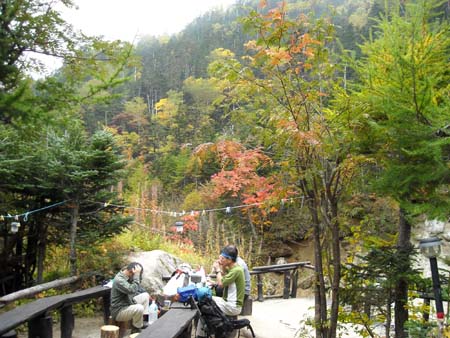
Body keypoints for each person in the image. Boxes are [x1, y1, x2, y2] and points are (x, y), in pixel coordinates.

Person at [197, 245, 245, 338]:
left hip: (232, 306)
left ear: (229, 260)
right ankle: (207, 332)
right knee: (206, 301)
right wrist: (221, 266)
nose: (220, 259)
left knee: (204, 304)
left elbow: (221, 283)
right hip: (228, 303)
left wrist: (218, 270)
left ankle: (202, 335)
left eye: (222, 258)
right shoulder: (234, 268)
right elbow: (224, 276)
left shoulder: (237, 271)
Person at [110, 262, 150, 333]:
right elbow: (132, 290)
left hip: (128, 303)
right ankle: (136, 329)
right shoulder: (119, 280)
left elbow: (136, 288)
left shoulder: (127, 274)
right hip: (119, 310)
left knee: (145, 296)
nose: (138, 276)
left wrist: (136, 275)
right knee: (139, 308)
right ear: (131, 272)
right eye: (137, 274)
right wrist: (136, 275)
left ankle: (141, 321)